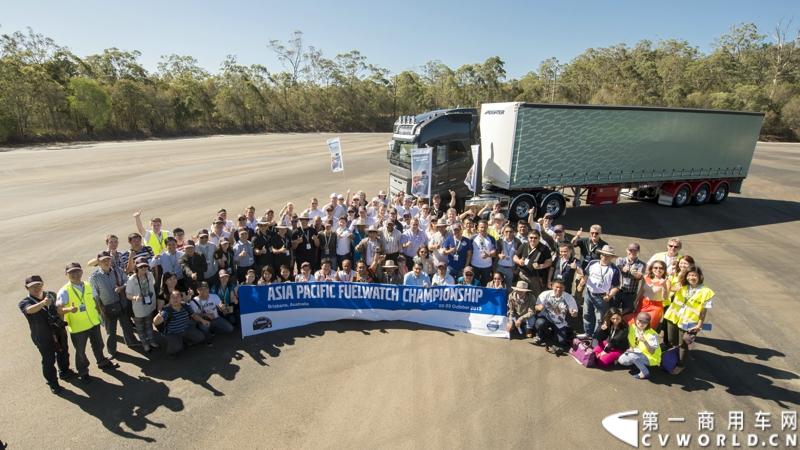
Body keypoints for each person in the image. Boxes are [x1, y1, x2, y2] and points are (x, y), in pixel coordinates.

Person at [56, 262, 118, 383]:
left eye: (77, 271)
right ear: (66, 274)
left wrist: (101, 315)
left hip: (93, 323)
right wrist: (69, 309)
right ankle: (83, 372)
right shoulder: (64, 291)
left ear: (81, 271)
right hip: (78, 327)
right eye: (71, 272)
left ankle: (102, 361)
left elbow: (96, 301)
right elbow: (59, 309)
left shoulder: (88, 285)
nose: (75, 274)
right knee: (80, 352)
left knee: (98, 345)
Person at [19, 275, 75, 394]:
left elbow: (58, 309)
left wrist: (64, 316)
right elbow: (29, 310)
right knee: (49, 360)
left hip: (58, 331)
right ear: (27, 288)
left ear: (42, 284)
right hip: (42, 336)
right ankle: (53, 383)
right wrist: (42, 304)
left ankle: (64, 371)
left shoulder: (51, 294)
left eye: (38, 285)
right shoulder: (25, 302)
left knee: (63, 352)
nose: (36, 288)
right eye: (33, 286)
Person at [663, 266, 714, 374]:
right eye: (689, 275)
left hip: (688, 322)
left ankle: (680, 365)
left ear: (700, 276)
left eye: (694, 275)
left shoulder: (706, 292)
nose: (691, 277)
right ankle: (675, 355)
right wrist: (672, 281)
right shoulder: (682, 285)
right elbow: (669, 289)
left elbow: (703, 311)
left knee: (683, 344)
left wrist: (699, 324)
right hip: (673, 317)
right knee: (671, 340)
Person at [89, 251, 138, 356]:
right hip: (107, 307)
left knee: (126, 326)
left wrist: (122, 287)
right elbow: (95, 295)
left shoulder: (118, 270)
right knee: (111, 332)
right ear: (99, 262)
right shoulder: (94, 277)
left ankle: (131, 342)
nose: (106, 262)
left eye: (108, 259)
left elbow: (127, 281)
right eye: (103, 260)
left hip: (121, 303)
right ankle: (112, 351)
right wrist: (100, 311)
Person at [577, 245, 621, 339]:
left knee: (600, 318)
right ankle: (588, 333)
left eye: (608, 255)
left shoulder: (614, 270)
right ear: (600, 255)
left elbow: (616, 287)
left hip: (602, 297)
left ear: (612, 257)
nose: (605, 257)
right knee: (587, 314)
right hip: (589, 293)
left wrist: (609, 295)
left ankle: (596, 337)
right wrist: (581, 285)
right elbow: (586, 275)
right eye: (603, 254)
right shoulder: (592, 263)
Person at [153, 290, 206, 357]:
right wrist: (160, 313)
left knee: (200, 337)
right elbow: (155, 322)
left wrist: (202, 320)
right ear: (170, 300)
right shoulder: (167, 310)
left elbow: (194, 315)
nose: (175, 299)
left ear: (181, 298)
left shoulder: (185, 306)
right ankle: (171, 352)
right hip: (172, 333)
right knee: (177, 347)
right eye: (173, 297)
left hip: (185, 329)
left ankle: (183, 340)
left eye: (177, 296)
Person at [532, 279, 579, 354]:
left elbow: (575, 313)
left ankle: (553, 333)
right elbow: (536, 307)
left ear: (564, 288)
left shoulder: (569, 297)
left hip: (559, 322)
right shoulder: (545, 294)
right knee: (540, 323)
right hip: (547, 319)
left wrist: (574, 313)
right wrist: (539, 307)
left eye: (561, 287)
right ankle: (540, 335)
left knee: (561, 341)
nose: (558, 289)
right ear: (552, 286)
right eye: (556, 287)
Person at [126, 258, 159, 353]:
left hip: (149, 305)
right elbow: (128, 295)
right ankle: (145, 344)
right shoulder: (132, 279)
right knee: (140, 328)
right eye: (141, 267)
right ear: (136, 267)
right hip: (138, 308)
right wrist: (134, 298)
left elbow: (153, 284)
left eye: (145, 266)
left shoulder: (149, 275)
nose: (144, 268)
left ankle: (151, 341)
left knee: (149, 325)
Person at [618, 312, 662, 380]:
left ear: (648, 323)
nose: (641, 324)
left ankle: (645, 373)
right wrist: (631, 348)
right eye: (640, 321)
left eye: (644, 322)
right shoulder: (632, 327)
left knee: (632, 356)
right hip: (637, 352)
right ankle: (637, 361)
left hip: (650, 357)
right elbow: (631, 340)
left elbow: (652, 352)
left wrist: (645, 341)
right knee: (621, 360)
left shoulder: (652, 334)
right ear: (636, 320)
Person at [633, 261, 671, 330]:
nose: (658, 270)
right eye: (655, 268)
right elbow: (641, 290)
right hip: (642, 304)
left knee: (648, 327)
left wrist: (664, 286)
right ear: (652, 268)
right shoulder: (646, 277)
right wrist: (636, 301)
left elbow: (665, 298)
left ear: (664, 270)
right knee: (637, 324)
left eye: (661, 268)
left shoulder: (666, 281)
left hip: (655, 306)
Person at [513, 230, 552, 295]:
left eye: (535, 238)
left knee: (535, 295)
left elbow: (549, 261)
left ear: (539, 238)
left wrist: (540, 266)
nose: (533, 239)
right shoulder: (524, 245)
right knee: (521, 294)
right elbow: (515, 256)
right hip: (522, 275)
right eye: (531, 237)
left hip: (535, 278)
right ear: (528, 238)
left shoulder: (544, 248)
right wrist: (519, 261)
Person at [613, 243, 646, 315]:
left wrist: (631, 272)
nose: (632, 252)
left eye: (635, 251)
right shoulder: (620, 260)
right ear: (627, 250)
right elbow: (619, 267)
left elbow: (639, 277)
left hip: (630, 294)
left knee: (627, 315)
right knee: (613, 312)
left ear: (638, 252)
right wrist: (623, 269)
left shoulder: (642, 264)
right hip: (618, 291)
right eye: (630, 250)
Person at [469, 220, 496, 286]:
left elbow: (494, 252)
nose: (483, 229)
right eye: (481, 227)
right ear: (478, 227)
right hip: (475, 265)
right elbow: (469, 252)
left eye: (485, 227)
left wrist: (488, 254)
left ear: (487, 228)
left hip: (487, 266)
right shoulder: (473, 238)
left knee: (485, 285)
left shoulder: (491, 238)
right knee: (475, 285)